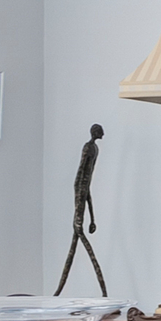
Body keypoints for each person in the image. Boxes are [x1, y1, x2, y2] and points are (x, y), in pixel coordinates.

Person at [53, 123, 106, 294]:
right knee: (79, 236)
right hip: (80, 190)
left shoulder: (95, 148)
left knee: (77, 240)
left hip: (84, 190)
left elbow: (87, 182)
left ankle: (58, 292)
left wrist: (92, 218)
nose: (103, 133)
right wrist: (79, 210)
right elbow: (80, 175)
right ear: (95, 132)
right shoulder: (89, 147)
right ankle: (103, 293)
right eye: (100, 131)